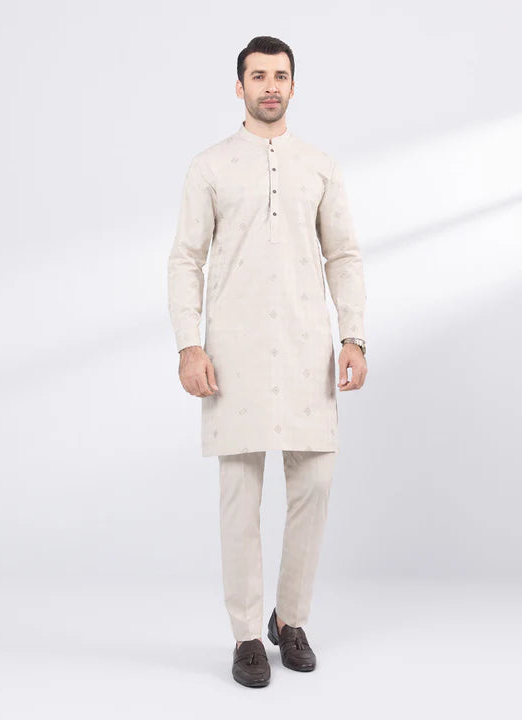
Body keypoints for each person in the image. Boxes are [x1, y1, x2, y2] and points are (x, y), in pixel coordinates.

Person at [167, 35, 367, 688]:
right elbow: (186, 257)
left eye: (280, 75)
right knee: (240, 498)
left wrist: (354, 336)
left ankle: (291, 618)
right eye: (258, 76)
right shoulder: (210, 166)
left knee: (315, 486)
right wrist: (189, 343)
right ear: (240, 87)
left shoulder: (319, 166)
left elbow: (343, 254)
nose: (270, 86)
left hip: (309, 348)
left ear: (293, 85)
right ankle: (248, 634)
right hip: (234, 353)